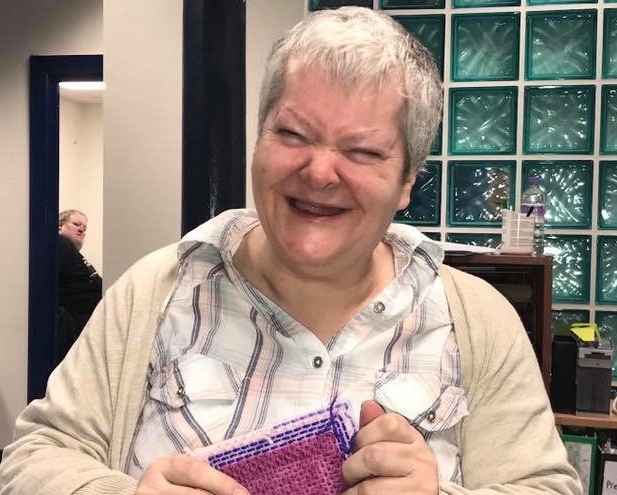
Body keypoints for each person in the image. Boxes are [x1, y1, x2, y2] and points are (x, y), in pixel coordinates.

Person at [0, 7, 581, 495]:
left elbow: (547, 485)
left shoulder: (477, 320)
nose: (319, 171)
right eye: (293, 135)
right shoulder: (153, 292)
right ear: (258, 140)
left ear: (407, 181)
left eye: (361, 151)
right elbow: (32, 459)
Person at [56, 209, 103, 361]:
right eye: (76, 224)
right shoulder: (60, 243)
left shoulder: (74, 255)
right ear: (59, 227)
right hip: (79, 327)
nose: (82, 229)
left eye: (85, 227)